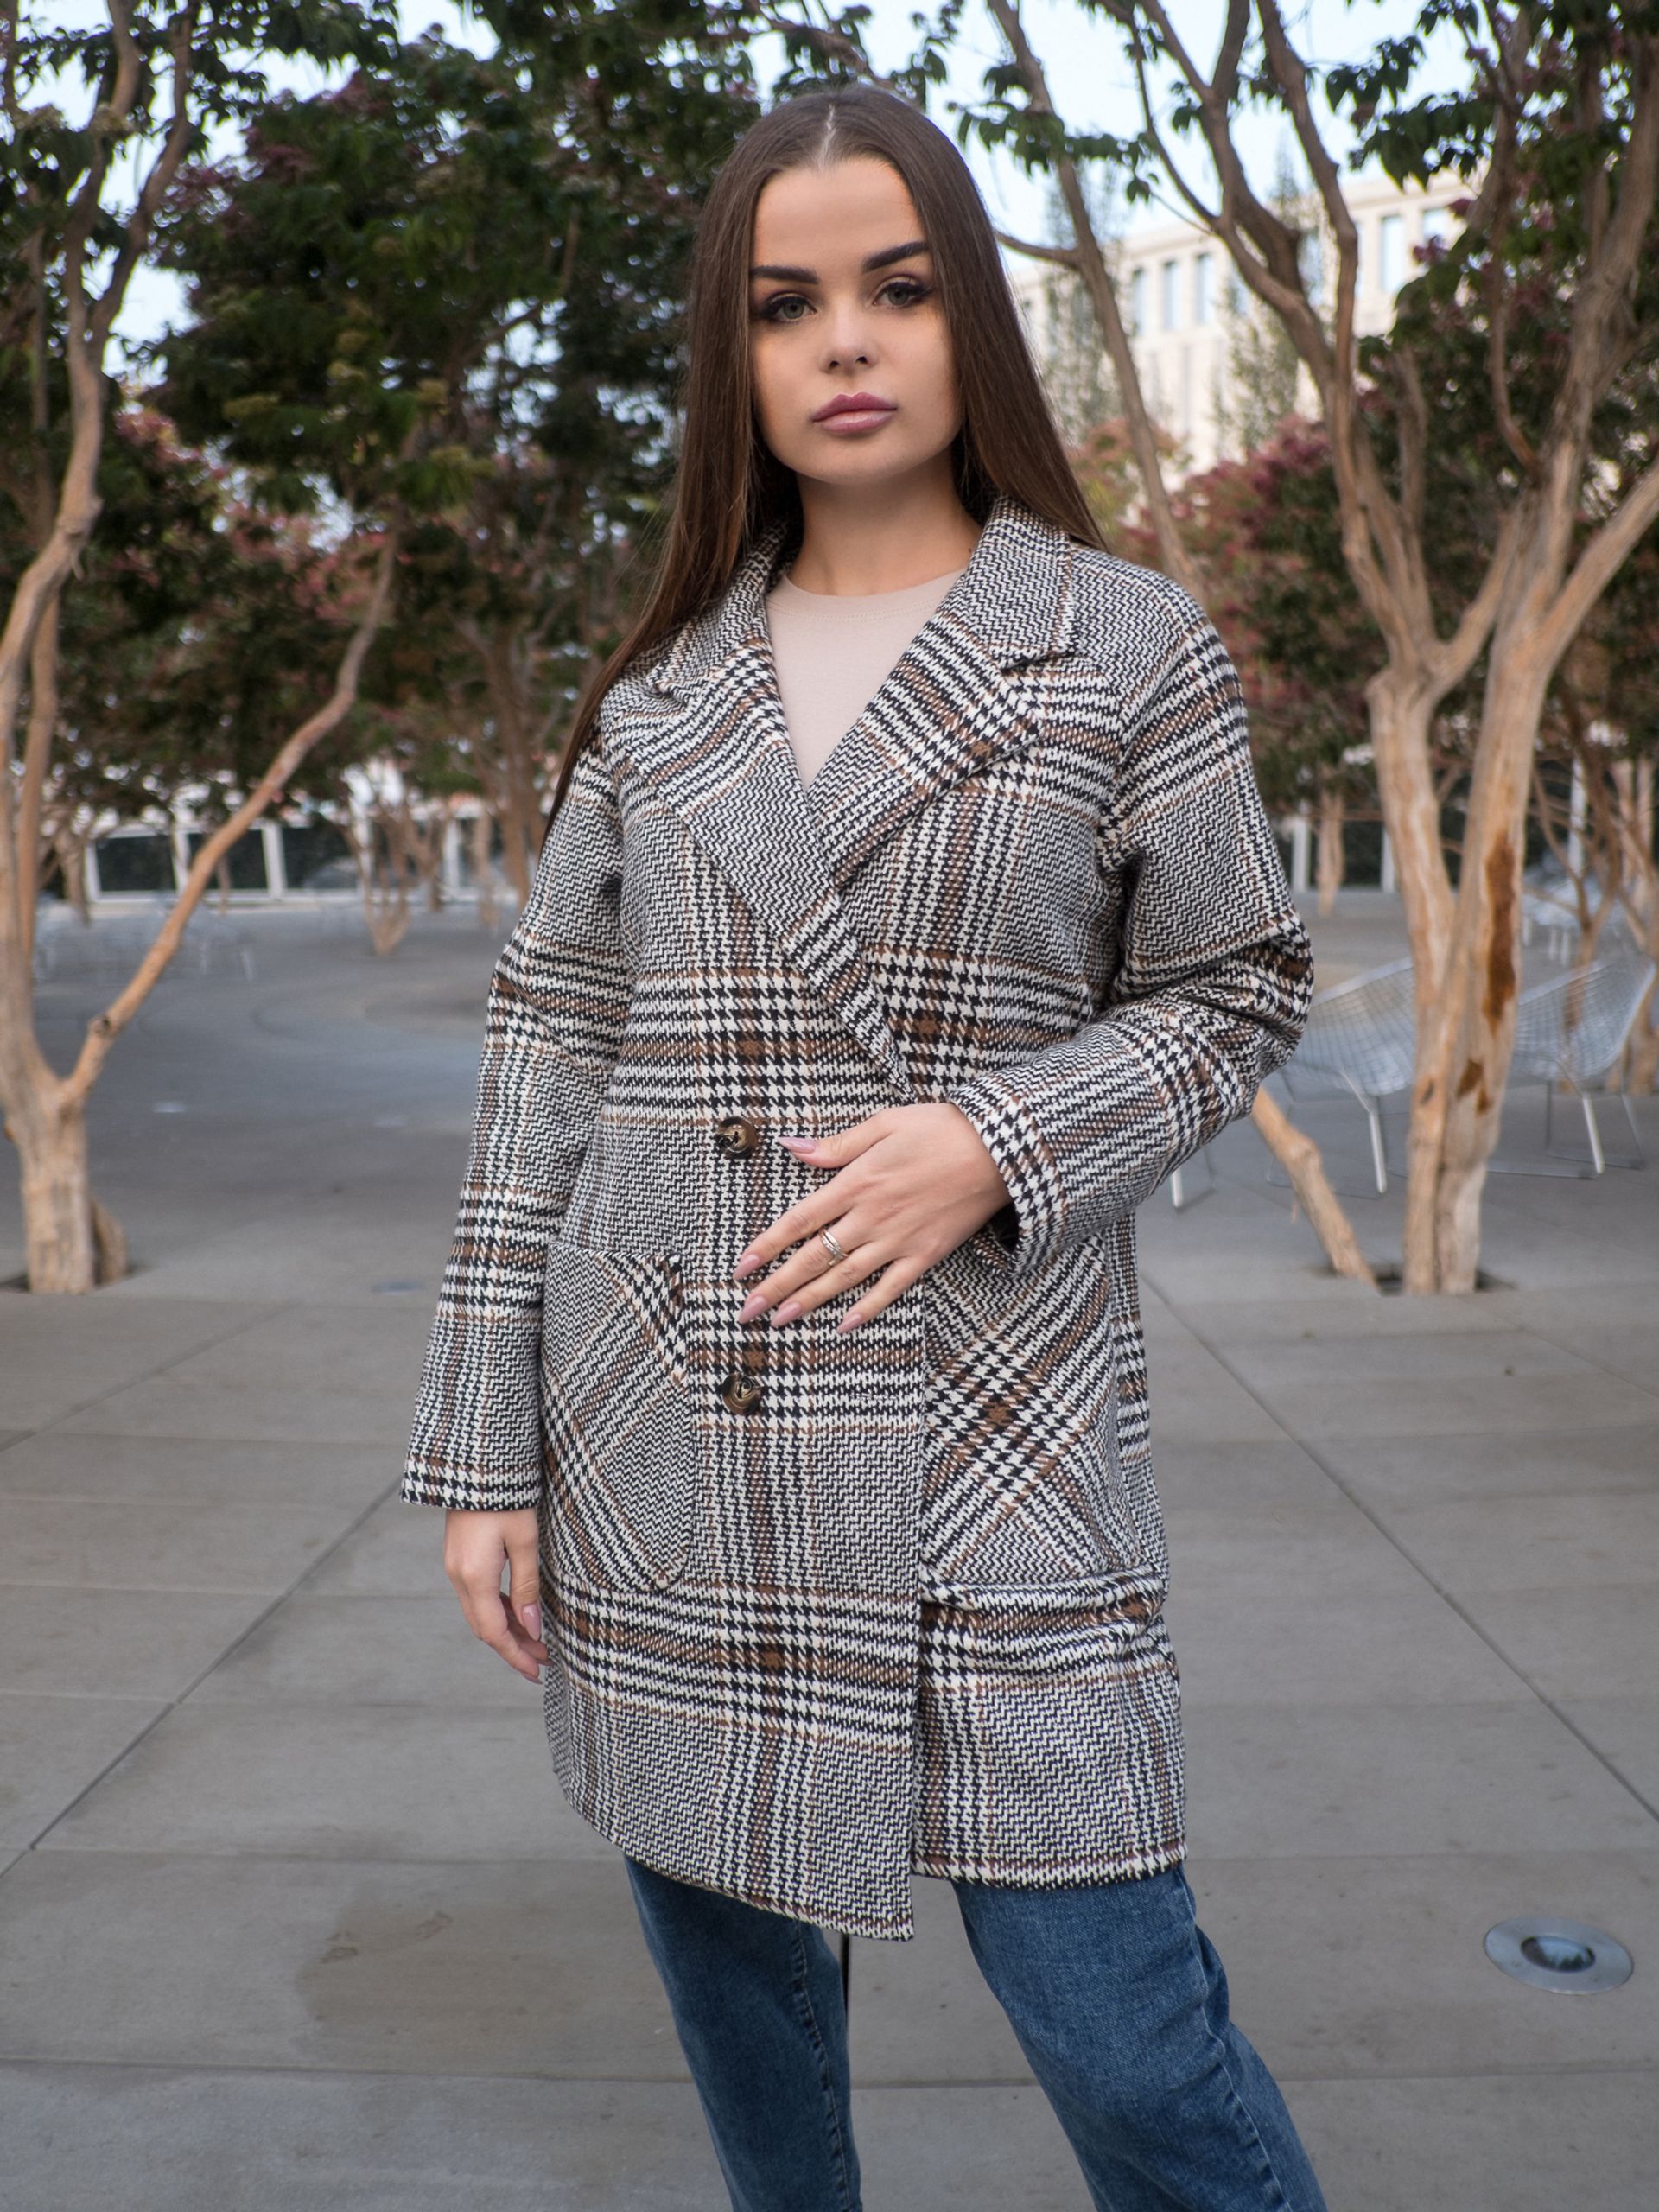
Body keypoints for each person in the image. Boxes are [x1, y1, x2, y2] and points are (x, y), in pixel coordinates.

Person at [404, 79, 1327, 2212]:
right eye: (785, 303)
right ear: (732, 358)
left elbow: (1241, 981)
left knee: (1132, 2039)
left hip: (1001, 1429)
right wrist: (482, 1449)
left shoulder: (1122, 641)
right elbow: (552, 1043)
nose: (845, 341)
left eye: (898, 290)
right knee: (745, 2021)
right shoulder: (662, 698)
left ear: (968, 316)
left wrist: (995, 1139)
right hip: (674, 1417)